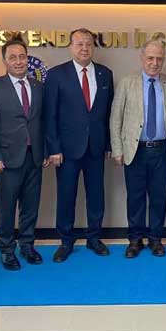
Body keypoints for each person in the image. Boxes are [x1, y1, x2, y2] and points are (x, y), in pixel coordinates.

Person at [44, 28, 114, 262]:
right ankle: (66, 241)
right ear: (71, 47)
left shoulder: (105, 74)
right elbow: (50, 115)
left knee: (96, 195)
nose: (84, 48)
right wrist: (53, 148)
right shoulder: (56, 74)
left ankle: (94, 237)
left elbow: (108, 113)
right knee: (66, 195)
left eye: (88, 44)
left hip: (96, 147)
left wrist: (109, 144)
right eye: (79, 44)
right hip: (66, 150)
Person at [0, 40, 48, 270]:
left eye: (22, 57)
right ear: (5, 61)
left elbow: (42, 122)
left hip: (34, 156)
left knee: (30, 206)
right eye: (13, 57)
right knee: (6, 207)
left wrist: (45, 151)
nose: (19, 61)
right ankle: (6, 250)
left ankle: (27, 246)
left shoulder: (38, 86)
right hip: (6, 159)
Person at [110, 40, 166, 258]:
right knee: (135, 197)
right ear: (142, 58)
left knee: (159, 197)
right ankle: (135, 240)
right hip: (135, 150)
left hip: (162, 150)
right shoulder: (127, 83)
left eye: (159, 58)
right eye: (150, 58)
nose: (155, 63)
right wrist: (117, 149)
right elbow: (115, 118)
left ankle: (156, 239)